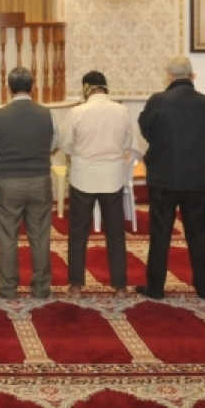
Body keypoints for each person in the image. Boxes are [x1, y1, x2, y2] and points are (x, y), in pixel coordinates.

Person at [136, 56, 205, 300]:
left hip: (164, 176)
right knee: (199, 235)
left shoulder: (158, 101)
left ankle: (155, 287)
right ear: (192, 76)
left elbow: (146, 130)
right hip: (197, 177)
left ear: (169, 76)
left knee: (160, 234)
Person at [0, 67, 56, 299]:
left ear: (9, 88)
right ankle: (41, 287)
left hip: (7, 182)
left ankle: (7, 287)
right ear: (33, 87)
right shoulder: (47, 114)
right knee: (40, 236)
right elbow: (53, 144)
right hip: (40, 182)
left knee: (7, 236)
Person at [60, 70, 132, 298]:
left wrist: (80, 154)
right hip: (112, 176)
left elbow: (64, 143)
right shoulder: (122, 111)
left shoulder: (77, 112)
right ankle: (120, 287)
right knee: (116, 232)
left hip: (83, 175)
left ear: (86, 88)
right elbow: (127, 145)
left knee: (78, 232)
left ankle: (76, 286)